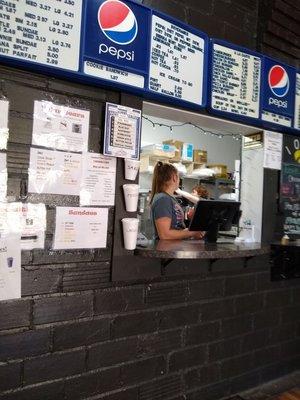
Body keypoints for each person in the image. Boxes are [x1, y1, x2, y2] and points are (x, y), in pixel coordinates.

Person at [150, 161, 205, 240]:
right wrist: (191, 232)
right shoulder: (163, 200)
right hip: (167, 251)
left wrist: (192, 233)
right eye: (179, 177)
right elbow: (165, 235)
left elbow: (176, 230)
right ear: (174, 178)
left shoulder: (169, 198)